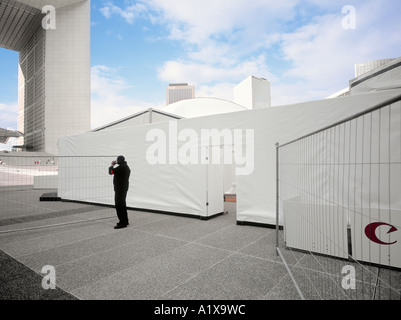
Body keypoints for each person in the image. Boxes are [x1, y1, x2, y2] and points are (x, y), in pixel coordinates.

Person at [109, 155, 131, 229]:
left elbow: (111, 172)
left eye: (117, 160)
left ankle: (122, 223)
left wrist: (112, 165)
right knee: (123, 205)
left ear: (120, 160)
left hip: (119, 189)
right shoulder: (126, 167)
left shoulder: (121, 167)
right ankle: (125, 221)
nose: (116, 161)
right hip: (123, 188)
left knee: (119, 206)